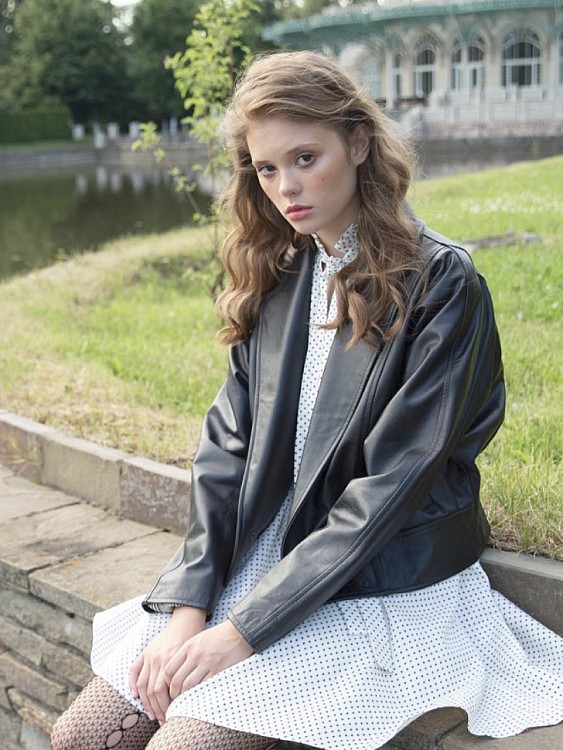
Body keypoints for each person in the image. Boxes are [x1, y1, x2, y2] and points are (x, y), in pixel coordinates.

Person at [50, 50, 563, 750]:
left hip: (378, 580)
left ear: (359, 144)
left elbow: (392, 488)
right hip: (263, 557)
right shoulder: (280, 274)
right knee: (80, 736)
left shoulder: (443, 284)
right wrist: (189, 608)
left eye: (304, 158)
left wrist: (243, 632)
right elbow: (225, 458)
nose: (285, 187)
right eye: (266, 169)